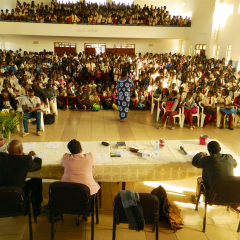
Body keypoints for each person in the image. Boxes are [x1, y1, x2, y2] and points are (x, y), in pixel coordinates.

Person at [0, 140, 44, 215]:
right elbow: (38, 165)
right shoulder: (25, 160)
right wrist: (34, 155)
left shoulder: (1, 157)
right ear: (20, 150)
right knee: (37, 179)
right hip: (19, 192)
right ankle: (37, 207)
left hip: (2, 192)